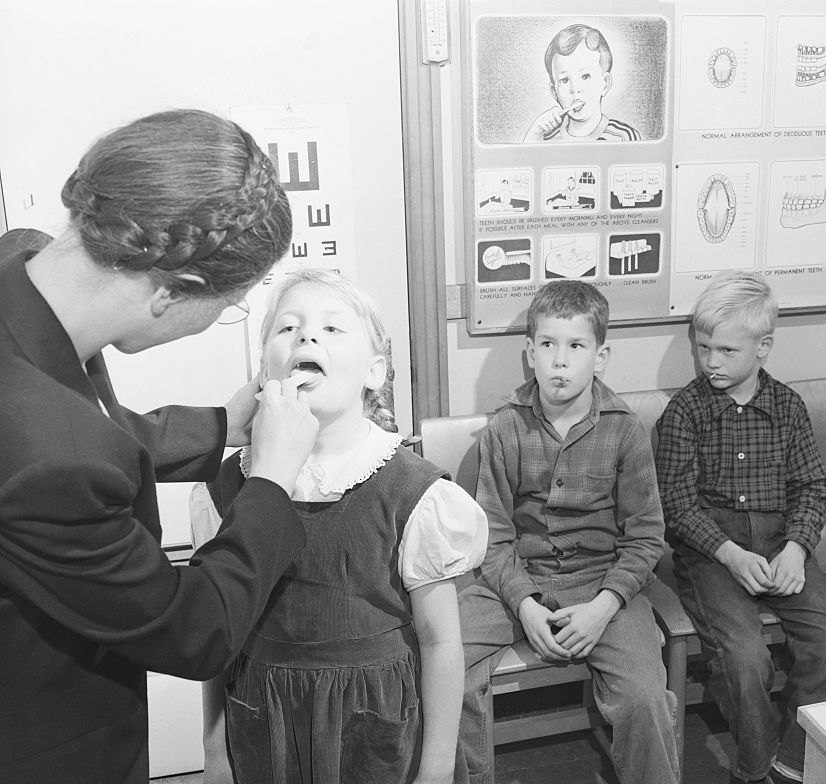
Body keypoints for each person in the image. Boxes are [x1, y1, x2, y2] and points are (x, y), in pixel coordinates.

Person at [0, 109, 320, 783]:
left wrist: (218, 428)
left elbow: (84, 419)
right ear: (176, 290)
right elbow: (191, 630)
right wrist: (272, 481)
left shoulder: (21, 267)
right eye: (230, 306)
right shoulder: (52, 458)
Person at [192, 269, 489, 784]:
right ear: (265, 371)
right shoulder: (228, 488)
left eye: (332, 329)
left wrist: (436, 769)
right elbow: (218, 631)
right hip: (263, 722)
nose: (307, 336)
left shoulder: (412, 493)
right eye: (288, 328)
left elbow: (441, 641)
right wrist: (214, 751)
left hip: (378, 732)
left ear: (374, 372)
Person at [456, 280, 679, 784]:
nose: (560, 362)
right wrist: (525, 603)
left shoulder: (624, 429)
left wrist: (605, 607)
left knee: (645, 697)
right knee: (446, 669)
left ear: (600, 356)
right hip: (512, 578)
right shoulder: (504, 429)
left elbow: (645, 538)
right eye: (548, 346)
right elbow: (491, 536)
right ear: (529, 352)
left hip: (602, 582)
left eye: (576, 346)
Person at [655, 271, 826, 784]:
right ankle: (754, 765)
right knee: (744, 657)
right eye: (704, 349)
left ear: (763, 347)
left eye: (726, 350)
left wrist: (795, 549)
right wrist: (728, 553)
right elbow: (677, 504)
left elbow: (812, 488)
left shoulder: (787, 407)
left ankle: (793, 761)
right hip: (712, 552)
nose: (712, 362)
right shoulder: (685, 412)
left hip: (781, 540)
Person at [523, 23, 641, 143]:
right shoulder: (545, 138)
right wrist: (533, 136)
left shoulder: (624, 137)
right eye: (564, 80)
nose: (575, 89)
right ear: (554, 92)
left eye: (585, 76)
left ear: (605, 84)